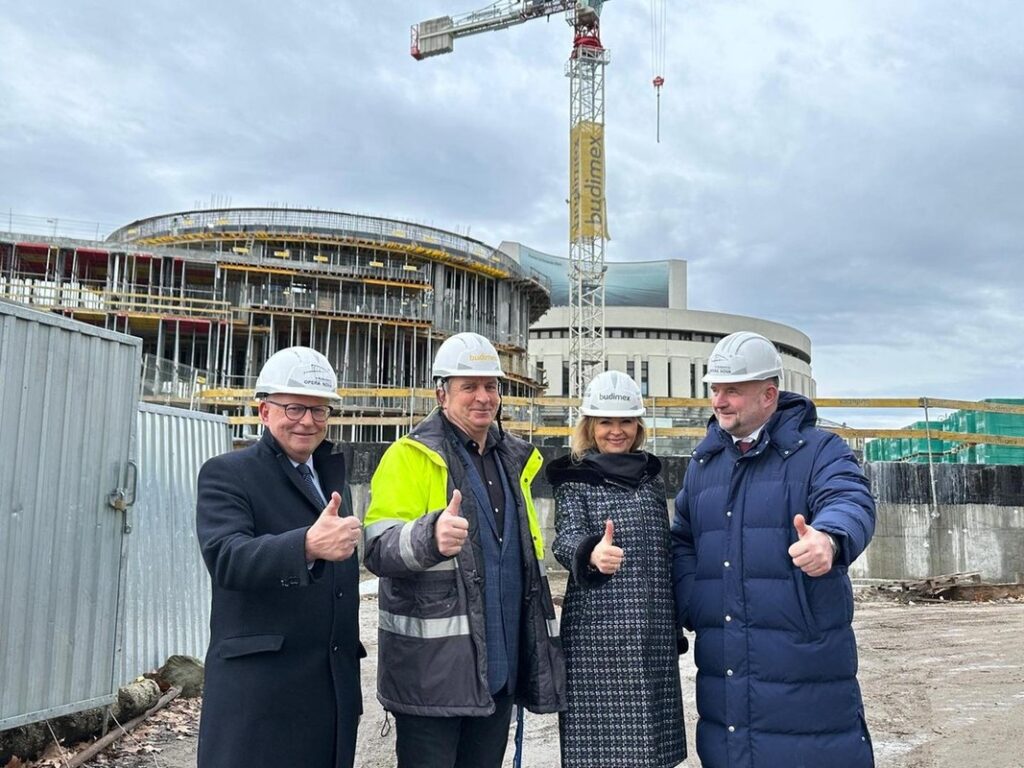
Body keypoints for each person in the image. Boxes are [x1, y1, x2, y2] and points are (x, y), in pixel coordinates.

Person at [671, 331, 876, 768]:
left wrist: (830, 538)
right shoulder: (705, 464)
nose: (719, 401)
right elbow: (683, 539)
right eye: (715, 389)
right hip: (725, 691)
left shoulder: (820, 451)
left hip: (806, 672)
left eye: (733, 391)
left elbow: (851, 499)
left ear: (768, 394)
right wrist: (696, 599)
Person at [363, 331, 565, 768]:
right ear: (442, 393)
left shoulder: (514, 460)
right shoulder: (410, 456)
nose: (482, 397)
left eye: (490, 385)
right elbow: (376, 547)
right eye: (468, 386)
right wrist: (429, 538)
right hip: (432, 677)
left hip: (498, 670)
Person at [195, 346, 363, 768]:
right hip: (261, 699)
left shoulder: (326, 476)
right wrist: (305, 545)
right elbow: (226, 557)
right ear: (263, 411)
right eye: (293, 407)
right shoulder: (228, 473)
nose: (307, 421)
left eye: (319, 410)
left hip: (328, 695)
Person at [549, 370, 687, 768]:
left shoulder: (650, 479)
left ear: (638, 425)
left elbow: (664, 553)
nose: (616, 431)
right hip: (598, 641)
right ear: (590, 426)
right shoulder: (576, 481)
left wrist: (673, 624)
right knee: (599, 755)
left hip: (653, 634)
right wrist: (591, 553)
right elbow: (566, 537)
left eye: (625, 421)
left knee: (653, 752)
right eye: (606, 422)